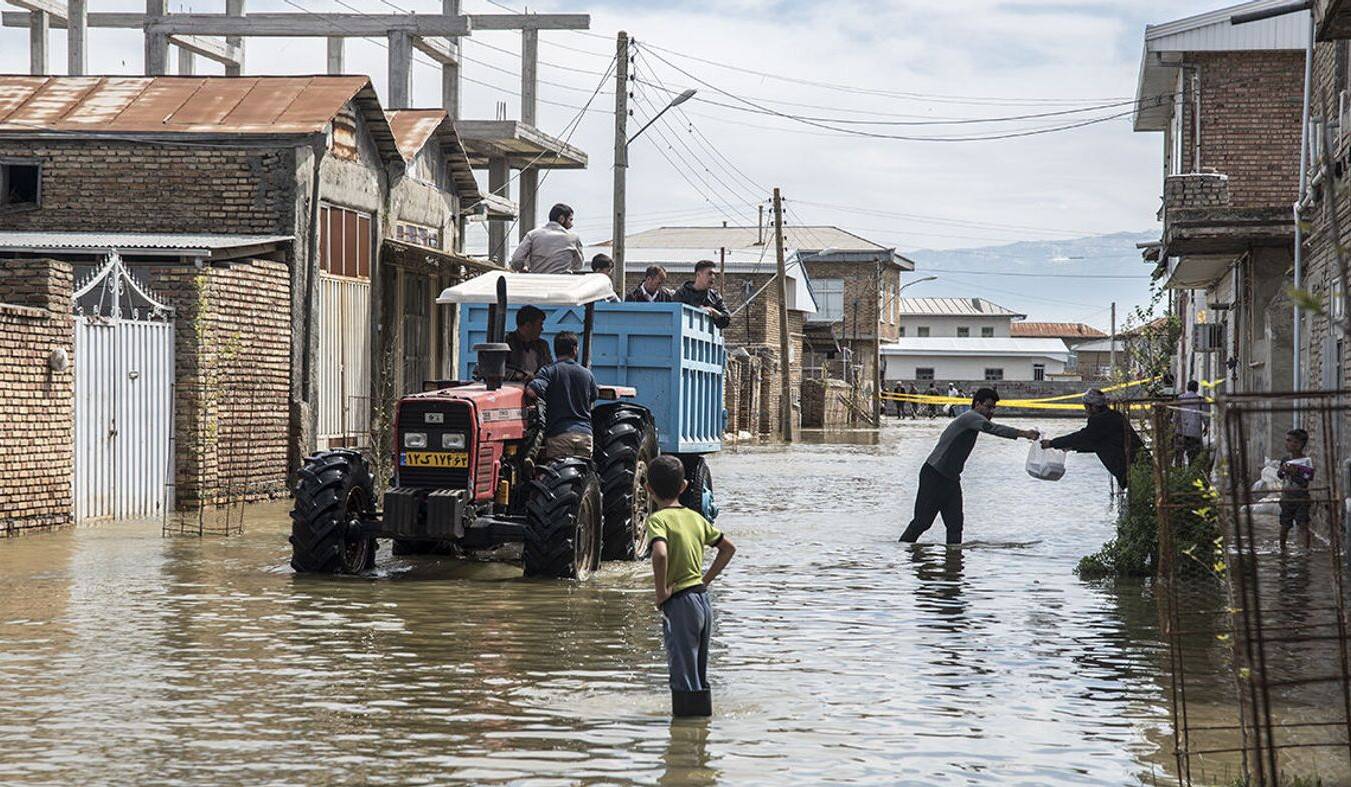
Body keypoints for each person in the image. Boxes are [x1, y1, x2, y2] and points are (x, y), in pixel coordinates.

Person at [646, 454, 737, 717]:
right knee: (699, 674)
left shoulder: (658, 521)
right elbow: (728, 549)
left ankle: (683, 746)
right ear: (684, 486)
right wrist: (705, 580)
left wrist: (661, 592)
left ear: (648, 489)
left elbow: (660, 554)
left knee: (682, 677)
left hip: (681, 604)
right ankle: (700, 741)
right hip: (702, 601)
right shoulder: (697, 519)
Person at [899, 388, 1040, 545]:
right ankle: (902, 553)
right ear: (977, 404)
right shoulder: (971, 417)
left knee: (955, 526)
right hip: (935, 474)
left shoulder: (975, 420)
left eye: (993, 408)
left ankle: (953, 565)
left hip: (951, 479)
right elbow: (993, 429)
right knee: (922, 522)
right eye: (988, 407)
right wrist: (1024, 433)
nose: (990, 411)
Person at [1042, 389, 1145, 489]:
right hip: (1137, 465)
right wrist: (1071, 447)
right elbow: (1098, 443)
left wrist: (1052, 443)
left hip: (1129, 469)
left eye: (1086, 407)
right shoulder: (1113, 415)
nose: (1086, 410)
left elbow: (1082, 436)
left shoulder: (1100, 420)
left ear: (1094, 407)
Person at [524, 331, 599, 461]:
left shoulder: (549, 371)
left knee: (561, 476)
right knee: (581, 476)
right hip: (585, 436)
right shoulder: (587, 374)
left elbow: (532, 391)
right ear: (575, 350)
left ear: (556, 350)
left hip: (559, 436)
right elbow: (593, 396)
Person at [509, 203, 584, 274]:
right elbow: (579, 265)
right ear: (562, 219)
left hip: (537, 282)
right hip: (563, 283)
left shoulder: (533, 234)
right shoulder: (573, 237)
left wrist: (522, 267)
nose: (572, 224)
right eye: (570, 220)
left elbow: (516, 260)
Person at [1278, 428, 1314, 550]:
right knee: (1284, 526)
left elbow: (1305, 481)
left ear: (1298, 445)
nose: (1286, 443)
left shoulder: (1306, 462)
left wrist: (1295, 473)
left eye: (1289, 441)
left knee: (1303, 524)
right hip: (1287, 498)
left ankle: (1306, 551)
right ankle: (1282, 549)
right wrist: (1283, 470)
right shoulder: (1285, 459)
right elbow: (1280, 475)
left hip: (1301, 498)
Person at [674, 260, 731, 329]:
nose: (713, 277)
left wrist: (712, 311)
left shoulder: (715, 296)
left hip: (709, 338)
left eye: (714, 274)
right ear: (698, 274)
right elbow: (676, 317)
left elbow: (726, 319)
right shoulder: (682, 293)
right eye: (710, 274)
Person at [504, 305, 552, 379]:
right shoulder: (507, 344)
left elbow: (549, 368)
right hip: (512, 387)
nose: (542, 329)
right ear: (528, 326)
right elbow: (496, 370)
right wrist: (520, 375)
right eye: (540, 325)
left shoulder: (543, 345)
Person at [1175, 380, 1208, 465]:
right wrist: (1207, 426)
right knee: (1193, 457)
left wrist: (1174, 427)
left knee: (1179, 456)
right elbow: (1205, 416)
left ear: (1187, 387)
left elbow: (1176, 415)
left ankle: (1178, 473)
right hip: (1195, 433)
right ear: (1196, 389)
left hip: (1181, 432)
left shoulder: (1180, 398)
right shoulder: (1200, 400)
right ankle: (1192, 474)